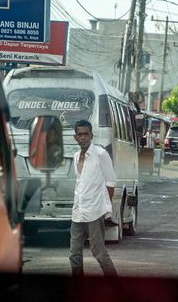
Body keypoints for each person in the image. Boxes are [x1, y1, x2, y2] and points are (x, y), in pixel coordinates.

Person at [69, 119, 118, 278]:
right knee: (74, 254)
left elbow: (110, 182)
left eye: (85, 134)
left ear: (91, 135)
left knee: (98, 252)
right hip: (78, 212)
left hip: (95, 212)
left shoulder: (101, 154)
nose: (82, 137)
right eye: (79, 134)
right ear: (75, 137)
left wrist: (105, 207)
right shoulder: (76, 156)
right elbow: (80, 184)